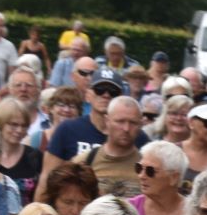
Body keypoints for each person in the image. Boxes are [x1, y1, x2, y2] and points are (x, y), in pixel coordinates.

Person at [38, 69, 142, 197]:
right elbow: (47, 181)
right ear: (88, 94)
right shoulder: (68, 129)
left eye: (113, 91)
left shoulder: (136, 135)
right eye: (99, 89)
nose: (106, 95)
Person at [0, 98, 44, 202]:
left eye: (24, 126)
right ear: (0, 124)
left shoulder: (35, 156)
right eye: (14, 125)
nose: (19, 130)